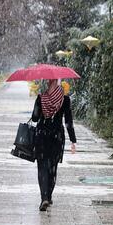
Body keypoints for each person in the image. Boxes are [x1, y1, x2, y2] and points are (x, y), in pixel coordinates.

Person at [32, 79, 76, 211]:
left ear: (48, 83)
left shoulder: (41, 98)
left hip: (42, 135)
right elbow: (68, 121)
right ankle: (49, 195)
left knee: (42, 167)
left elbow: (34, 118)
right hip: (57, 137)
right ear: (58, 84)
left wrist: (40, 109)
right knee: (52, 167)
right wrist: (73, 140)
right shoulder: (65, 100)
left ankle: (44, 197)